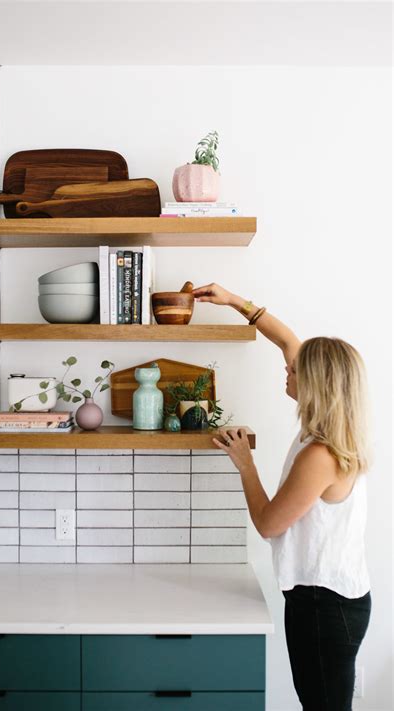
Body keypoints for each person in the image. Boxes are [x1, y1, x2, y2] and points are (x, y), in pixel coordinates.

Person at [192, 282, 372, 711]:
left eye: (295, 371)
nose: (287, 370)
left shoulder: (320, 454)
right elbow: (289, 341)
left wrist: (244, 463)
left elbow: (270, 524)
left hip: (323, 605)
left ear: (316, 382)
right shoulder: (330, 431)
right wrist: (235, 301)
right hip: (331, 600)